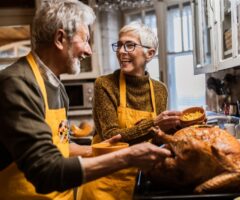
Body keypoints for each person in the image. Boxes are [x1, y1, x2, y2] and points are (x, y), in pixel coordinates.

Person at [0, 1, 171, 199]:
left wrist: (98, 151)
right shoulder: (17, 83)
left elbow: (62, 146)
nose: (89, 51)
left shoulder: (56, 86)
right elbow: (45, 171)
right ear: (60, 39)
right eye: (86, 40)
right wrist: (127, 156)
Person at [84, 22, 182, 199]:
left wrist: (175, 128)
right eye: (119, 45)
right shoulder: (104, 84)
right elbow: (111, 136)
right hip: (105, 178)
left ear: (149, 53)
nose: (121, 51)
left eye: (129, 45)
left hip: (142, 176)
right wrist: (154, 123)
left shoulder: (160, 90)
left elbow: (154, 138)